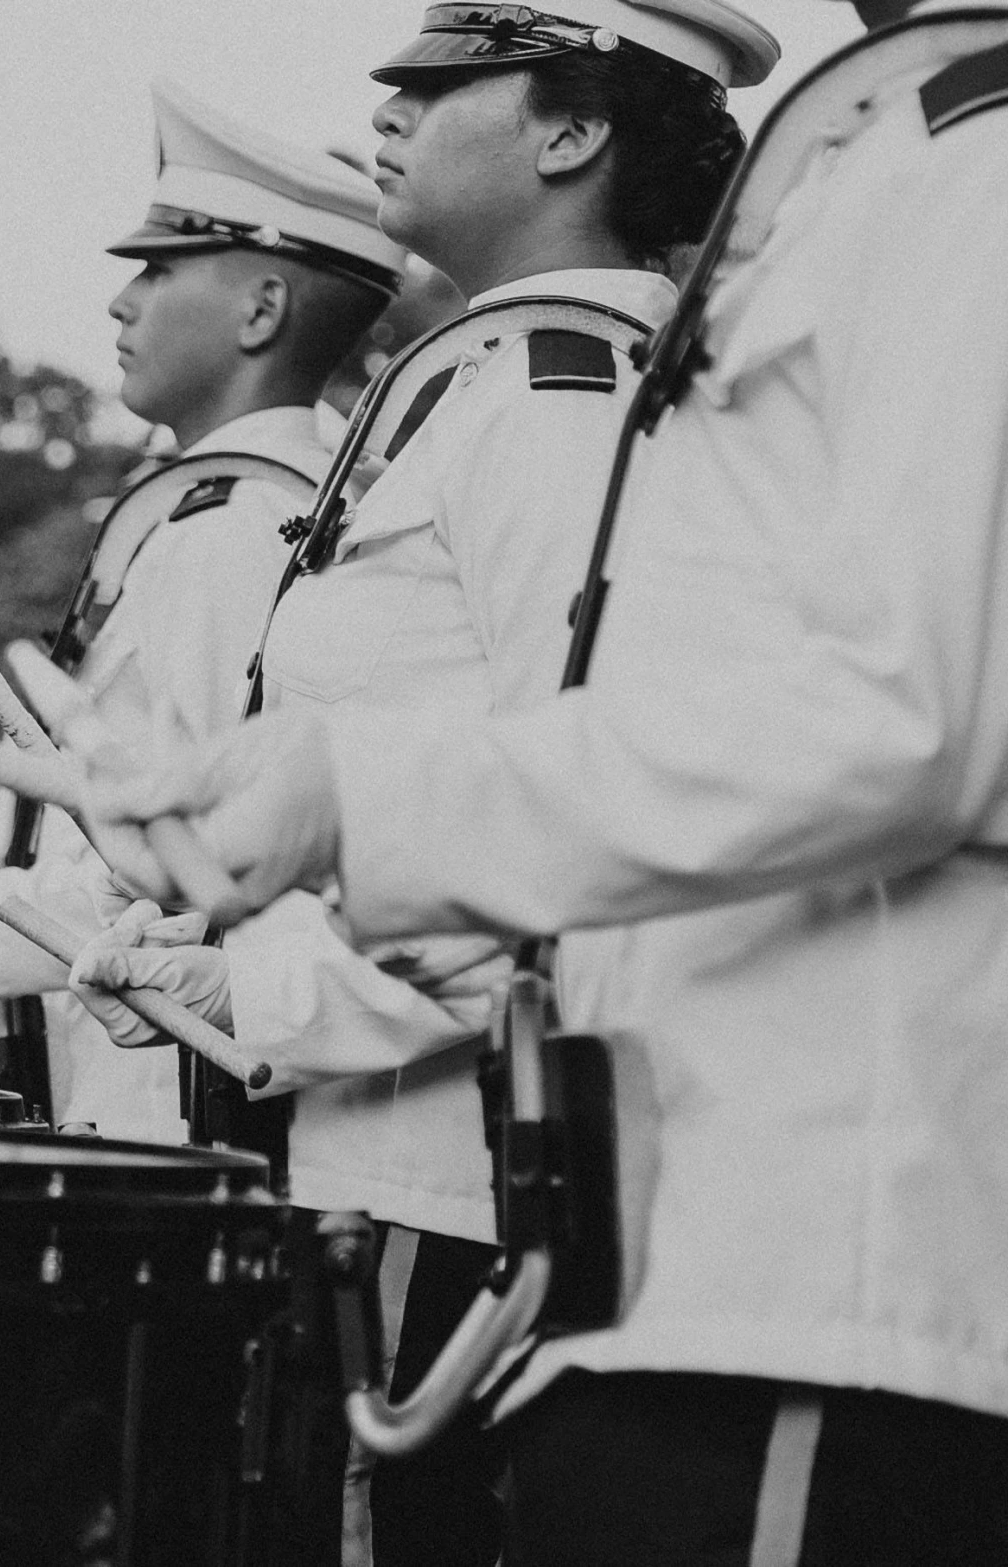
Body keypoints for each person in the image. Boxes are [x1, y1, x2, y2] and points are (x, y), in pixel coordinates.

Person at [67, 2, 1008, 1560]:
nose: (388, 102)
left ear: (572, 133)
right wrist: (257, 948)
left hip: (813, 1270)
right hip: (692, 1265)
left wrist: (352, 811)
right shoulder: (895, 151)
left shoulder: (960, 161)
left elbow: (896, 719)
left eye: (440, 78)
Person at [0, 78, 403, 1145]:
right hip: (208, 1089)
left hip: (192, 1118)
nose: (120, 302)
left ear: (260, 309)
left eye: (157, 268)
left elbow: (190, 862)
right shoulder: (264, 500)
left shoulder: (226, 528)